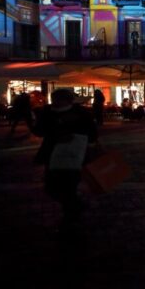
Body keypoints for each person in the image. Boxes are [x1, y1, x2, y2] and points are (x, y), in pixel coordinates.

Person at [32, 88, 98, 228]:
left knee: (69, 186)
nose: (56, 102)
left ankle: (71, 215)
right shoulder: (47, 112)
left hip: (75, 154)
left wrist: (74, 136)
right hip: (52, 154)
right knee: (51, 187)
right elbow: (39, 131)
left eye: (59, 100)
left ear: (68, 101)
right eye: (54, 99)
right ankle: (75, 206)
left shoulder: (81, 113)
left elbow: (92, 133)